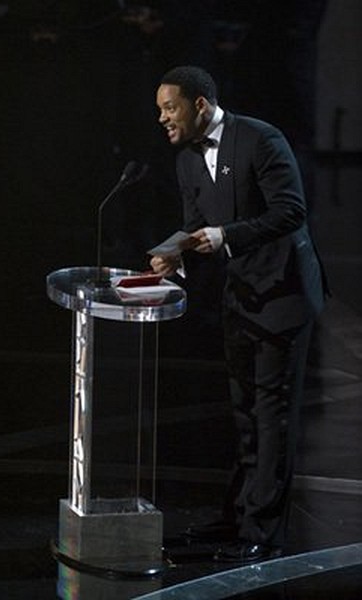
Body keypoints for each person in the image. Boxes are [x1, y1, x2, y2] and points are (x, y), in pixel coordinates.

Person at [150, 65, 327, 562]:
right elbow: (195, 225)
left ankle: (263, 531)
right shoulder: (186, 160)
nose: (162, 118)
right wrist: (171, 253)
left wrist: (224, 237)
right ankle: (237, 515)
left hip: (284, 294)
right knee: (246, 415)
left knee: (272, 416)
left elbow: (291, 212)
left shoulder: (260, 139)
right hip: (242, 297)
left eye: (169, 107)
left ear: (199, 105)